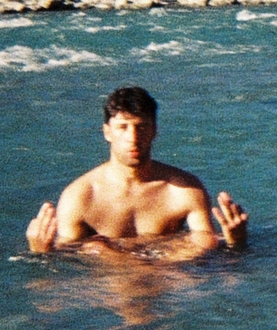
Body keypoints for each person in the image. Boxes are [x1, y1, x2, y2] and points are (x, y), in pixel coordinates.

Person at [26, 87, 248, 253]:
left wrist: (235, 241)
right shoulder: (81, 197)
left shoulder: (184, 189)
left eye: (141, 127)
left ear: (154, 131)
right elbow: (66, 269)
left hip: (169, 277)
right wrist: (41, 253)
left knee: (205, 240)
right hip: (110, 284)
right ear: (107, 132)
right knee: (95, 249)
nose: (133, 138)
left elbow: (212, 256)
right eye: (123, 127)